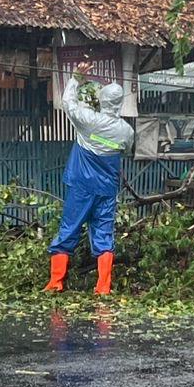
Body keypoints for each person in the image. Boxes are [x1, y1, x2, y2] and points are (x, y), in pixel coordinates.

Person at [44, 60, 135, 296]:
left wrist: (76, 78)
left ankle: (56, 283)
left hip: (82, 186)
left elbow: (68, 103)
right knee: (104, 233)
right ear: (120, 102)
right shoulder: (126, 131)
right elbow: (124, 149)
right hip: (106, 189)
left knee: (69, 230)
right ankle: (103, 287)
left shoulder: (89, 120)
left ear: (103, 101)